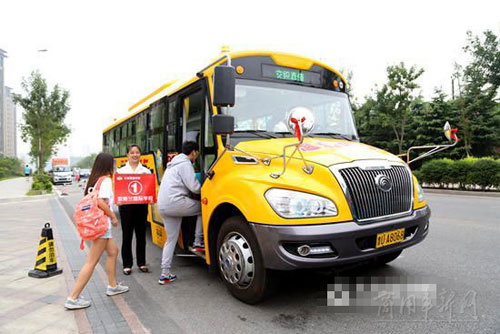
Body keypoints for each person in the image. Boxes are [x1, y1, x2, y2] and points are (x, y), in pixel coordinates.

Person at [65, 153, 128, 310]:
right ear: (108, 165)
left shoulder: (96, 180)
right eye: (113, 164)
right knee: (91, 262)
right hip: (102, 226)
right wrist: (113, 217)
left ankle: (112, 286)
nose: (114, 166)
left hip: (98, 225)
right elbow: (100, 201)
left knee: (113, 251)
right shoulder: (106, 180)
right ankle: (73, 297)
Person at [157, 141, 204, 284]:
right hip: (175, 203)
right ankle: (197, 242)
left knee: (170, 240)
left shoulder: (172, 165)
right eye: (197, 154)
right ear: (194, 152)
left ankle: (165, 274)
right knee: (203, 209)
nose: (197, 157)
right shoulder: (185, 164)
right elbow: (195, 188)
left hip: (163, 205)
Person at [116, 144, 151, 275]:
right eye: (132, 153)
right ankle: (127, 264)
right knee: (127, 235)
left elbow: (149, 189)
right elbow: (117, 190)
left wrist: (151, 198)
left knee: (141, 235)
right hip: (126, 207)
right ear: (127, 155)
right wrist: (117, 200)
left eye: (137, 152)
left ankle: (141, 263)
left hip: (141, 206)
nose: (135, 155)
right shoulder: (121, 172)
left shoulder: (146, 171)